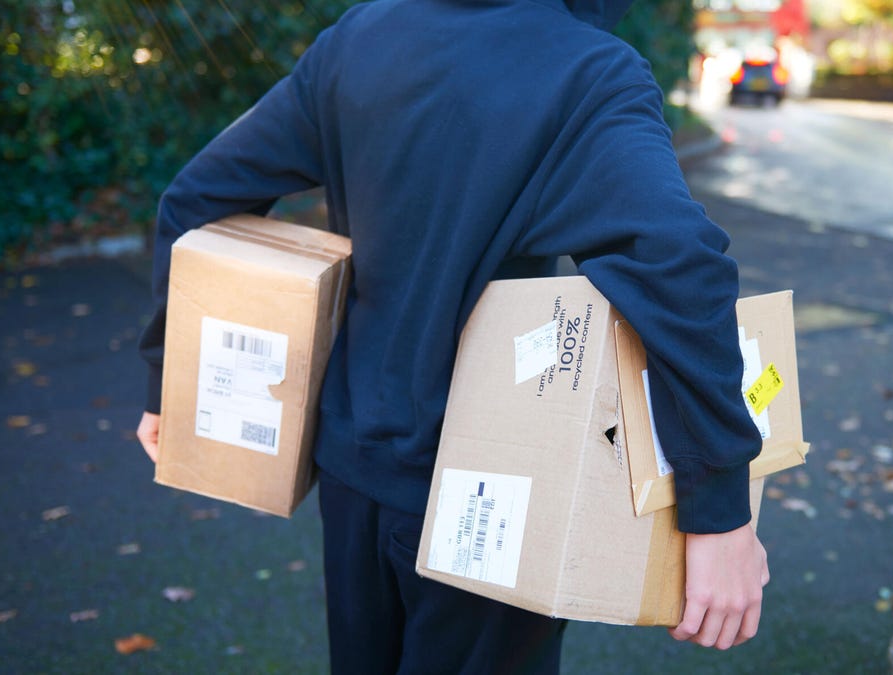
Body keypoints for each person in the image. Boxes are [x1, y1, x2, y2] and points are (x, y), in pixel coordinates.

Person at [137, 0, 770, 672]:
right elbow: (678, 265)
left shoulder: (358, 38)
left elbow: (197, 198)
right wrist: (718, 511)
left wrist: (171, 379)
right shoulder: (586, 72)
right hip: (497, 486)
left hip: (352, 472)